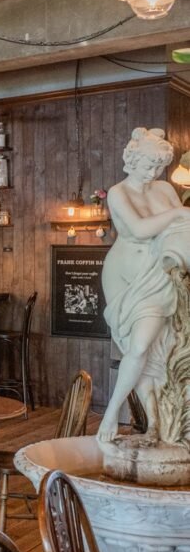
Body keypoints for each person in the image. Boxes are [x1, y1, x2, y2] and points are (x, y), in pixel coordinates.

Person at [98, 127, 190, 444]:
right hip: (125, 275)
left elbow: (178, 230)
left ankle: (155, 425)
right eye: (148, 165)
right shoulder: (118, 192)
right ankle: (111, 414)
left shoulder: (164, 189)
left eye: (158, 167)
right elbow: (138, 229)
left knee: (156, 352)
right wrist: (179, 212)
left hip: (159, 273)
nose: (152, 173)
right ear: (133, 160)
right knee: (137, 347)